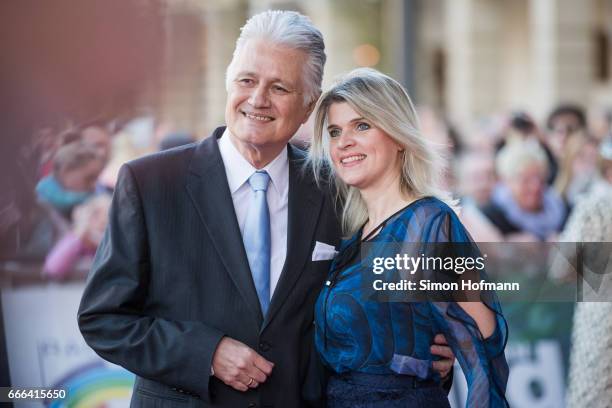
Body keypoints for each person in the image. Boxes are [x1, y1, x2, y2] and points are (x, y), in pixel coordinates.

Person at [77, 11, 454, 408]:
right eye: (247, 81)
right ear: (229, 84)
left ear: (309, 107)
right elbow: (103, 319)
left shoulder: (339, 188)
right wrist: (206, 353)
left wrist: (427, 358)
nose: (258, 100)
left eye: (279, 87)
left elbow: (378, 311)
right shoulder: (150, 182)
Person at [309, 68, 508, 407]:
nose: (344, 142)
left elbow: (483, 348)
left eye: (362, 125)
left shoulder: (429, 224)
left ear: (398, 136)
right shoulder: (351, 236)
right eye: (334, 131)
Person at [481, 140, 566, 241]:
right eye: (525, 180)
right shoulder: (491, 218)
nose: (535, 186)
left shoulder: (561, 207)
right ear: (507, 182)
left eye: (539, 177)